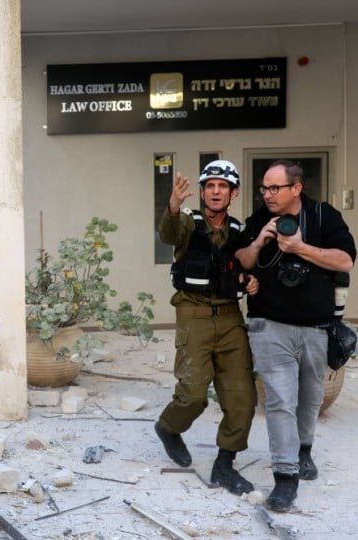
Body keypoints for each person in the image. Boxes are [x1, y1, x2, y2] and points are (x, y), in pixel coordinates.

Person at [235, 160, 355, 512]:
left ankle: (304, 450)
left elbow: (345, 260)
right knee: (279, 400)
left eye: (275, 188)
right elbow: (242, 261)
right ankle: (285, 477)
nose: (267, 194)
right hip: (269, 325)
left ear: (296, 188)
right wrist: (259, 241)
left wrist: (300, 248)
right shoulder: (260, 219)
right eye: (264, 188)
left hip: (316, 327)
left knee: (310, 397)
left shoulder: (322, 216)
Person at [153, 160, 259, 495]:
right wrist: (173, 206)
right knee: (193, 394)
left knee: (243, 397)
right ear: (202, 192)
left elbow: (244, 266)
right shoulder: (188, 223)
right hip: (194, 313)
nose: (216, 192)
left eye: (222, 186)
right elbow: (168, 234)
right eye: (210, 186)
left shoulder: (240, 231)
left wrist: (250, 280)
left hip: (230, 317)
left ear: (233, 193)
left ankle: (225, 463)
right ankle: (169, 427)